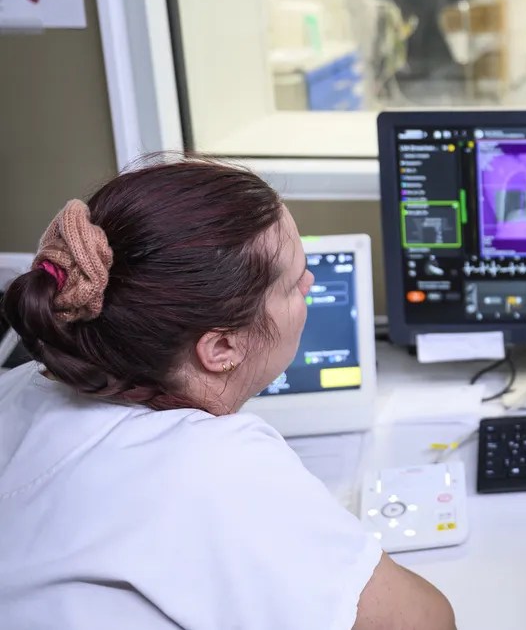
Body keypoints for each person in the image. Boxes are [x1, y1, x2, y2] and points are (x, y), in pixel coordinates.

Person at [0, 158, 455, 630]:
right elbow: (427, 622)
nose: (310, 284)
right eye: (293, 284)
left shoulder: (15, 386)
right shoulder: (212, 467)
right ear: (221, 348)